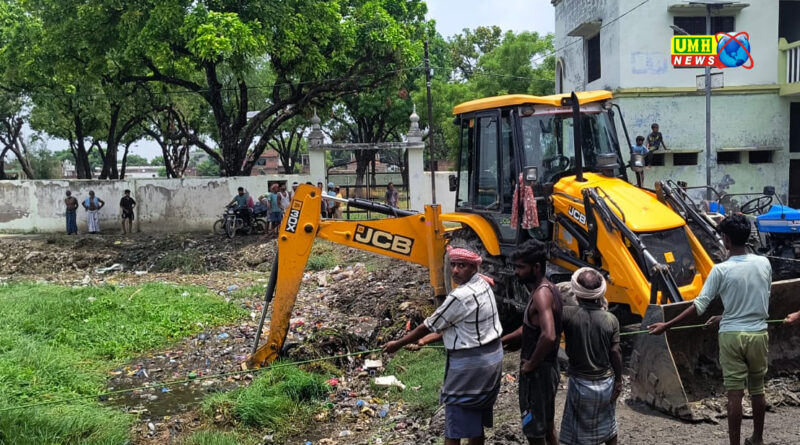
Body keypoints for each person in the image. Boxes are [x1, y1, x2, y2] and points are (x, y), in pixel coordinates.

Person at [648, 213, 771, 445]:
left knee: (735, 394)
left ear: (725, 239)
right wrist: (726, 315)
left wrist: (667, 325)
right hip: (758, 334)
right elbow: (757, 300)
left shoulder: (720, 270)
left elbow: (699, 306)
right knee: (758, 389)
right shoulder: (764, 263)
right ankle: (757, 438)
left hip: (732, 337)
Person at [384, 247, 503, 445]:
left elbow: (428, 325)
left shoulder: (460, 296)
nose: (455, 271)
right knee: (475, 423)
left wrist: (398, 343)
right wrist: (423, 341)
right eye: (453, 265)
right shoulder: (483, 284)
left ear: (473, 268)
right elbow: (454, 324)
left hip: (470, 368)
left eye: (461, 266)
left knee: (454, 428)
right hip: (491, 362)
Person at [501, 239, 563, 445]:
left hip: (538, 373)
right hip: (547, 369)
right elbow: (530, 328)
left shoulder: (541, 295)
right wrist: (503, 340)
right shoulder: (548, 289)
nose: (516, 272)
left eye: (521, 267)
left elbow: (549, 335)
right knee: (546, 425)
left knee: (534, 430)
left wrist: (530, 364)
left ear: (536, 267)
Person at [560, 268, 622, 445]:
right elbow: (615, 352)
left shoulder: (567, 315)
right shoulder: (611, 319)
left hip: (580, 384)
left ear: (576, 292)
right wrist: (618, 380)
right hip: (606, 383)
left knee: (579, 433)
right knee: (609, 426)